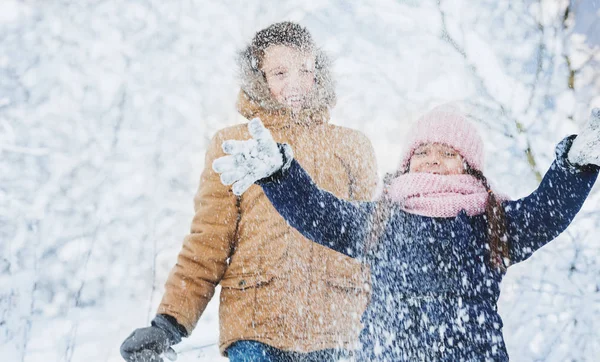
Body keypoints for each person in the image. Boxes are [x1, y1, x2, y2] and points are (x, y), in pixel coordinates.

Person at [212, 105, 600, 361]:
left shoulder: (491, 222)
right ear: (406, 163)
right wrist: (281, 175)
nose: (433, 158)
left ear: (471, 168)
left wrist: (575, 165)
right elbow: (319, 214)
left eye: (448, 153)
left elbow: (547, 211)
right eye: (423, 151)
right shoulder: (382, 220)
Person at [120, 22, 378, 362]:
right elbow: (208, 243)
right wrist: (169, 323)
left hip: (336, 330)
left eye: (305, 69)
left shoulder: (352, 146)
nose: (296, 83)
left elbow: (371, 242)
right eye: (281, 72)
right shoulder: (233, 145)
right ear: (260, 78)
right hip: (256, 328)